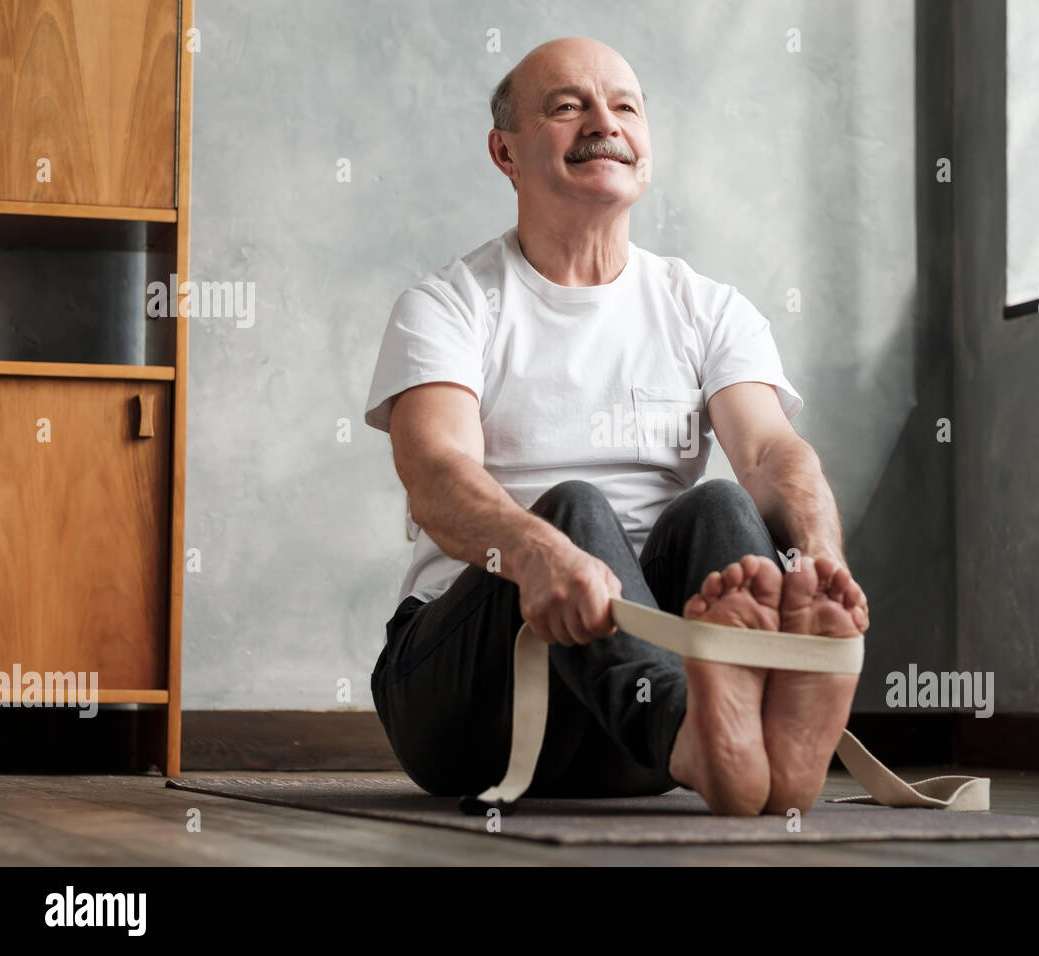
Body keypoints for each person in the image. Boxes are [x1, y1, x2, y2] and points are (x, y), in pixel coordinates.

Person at [364, 36, 869, 816]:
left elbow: (771, 453)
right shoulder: (449, 305)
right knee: (571, 510)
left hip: (629, 735)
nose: (604, 122)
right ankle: (709, 734)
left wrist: (821, 565)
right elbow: (436, 475)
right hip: (476, 706)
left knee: (720, 507)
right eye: (567, 107)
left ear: (646, 150)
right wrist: (540, 555)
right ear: (504, 152)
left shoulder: (707, 307)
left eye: (624, 106)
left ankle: (751, 731)